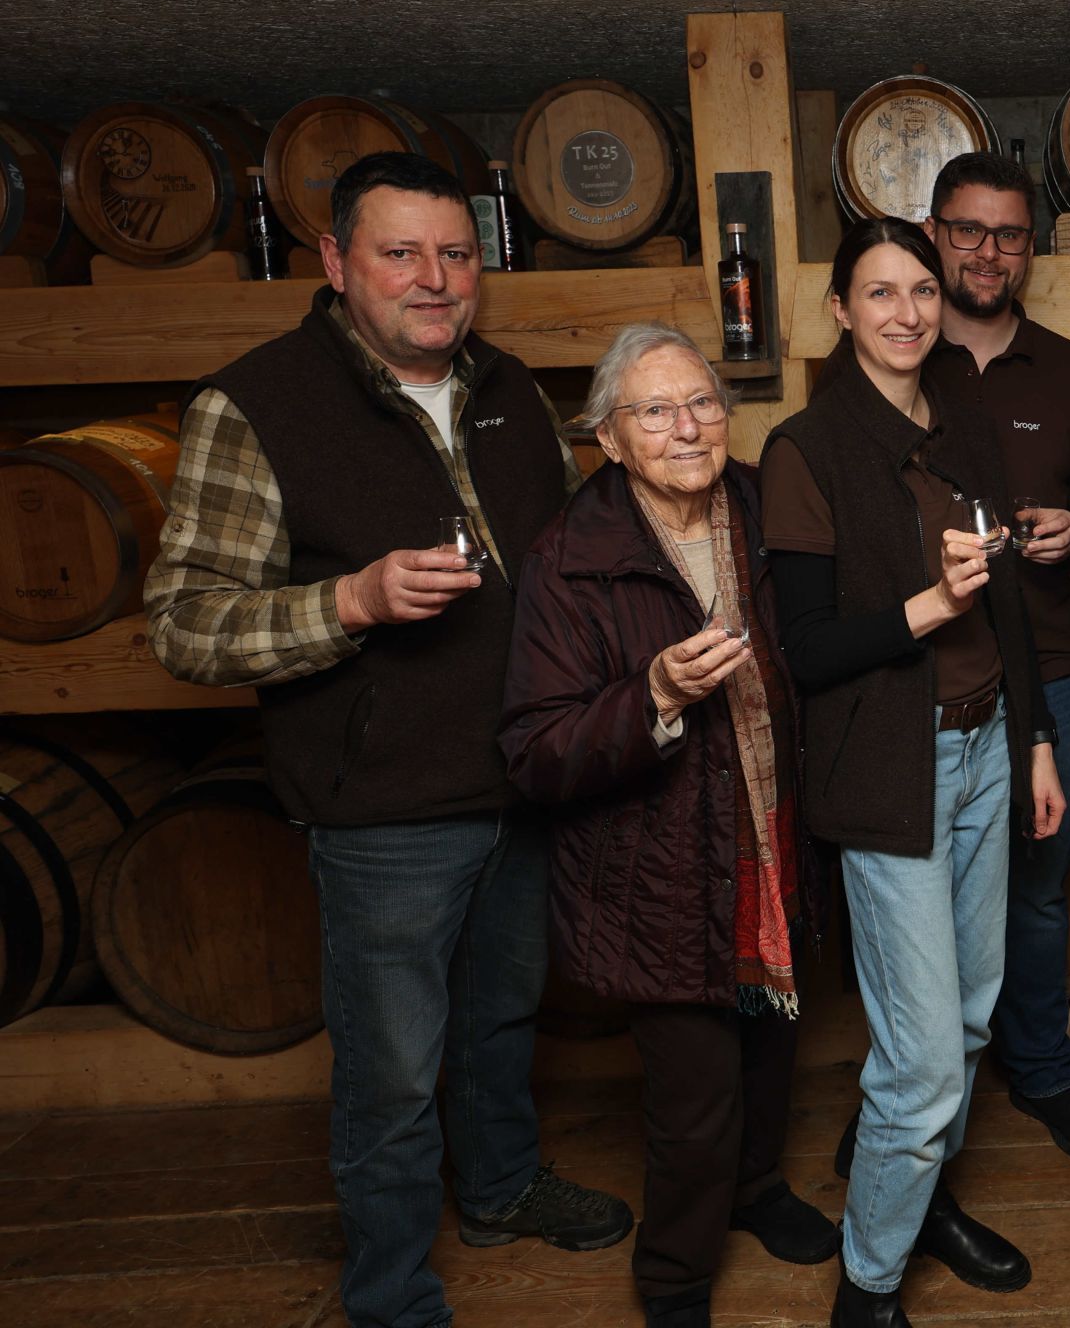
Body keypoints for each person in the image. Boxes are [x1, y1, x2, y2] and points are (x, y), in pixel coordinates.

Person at [143, 151, 630, 1328]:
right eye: (400, 253)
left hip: (518, 780)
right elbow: (183, 626)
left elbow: (565, 572)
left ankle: (503, 1188)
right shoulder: (253, 405)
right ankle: (393, 1298)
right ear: (335, 263)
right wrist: (349, 603)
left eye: (455, 254)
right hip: (383, 810)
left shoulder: (510, 391)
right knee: (394, 1072)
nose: (434, 278)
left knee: (503, 1014)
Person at [499, 324, 838, 1328]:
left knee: (774, 1038)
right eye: (654, 410)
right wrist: (649, 693)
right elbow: (534, 747)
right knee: (693, 1100)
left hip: (769, 833)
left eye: (700, 402)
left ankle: (758, 1188)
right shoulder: (572, 558)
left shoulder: (758, 504)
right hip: (657, 865)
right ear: (608, 437)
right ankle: (676, 1276)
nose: (686, 427)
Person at [759, 218, 1064, 1328]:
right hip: (893, 768)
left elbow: (1019, 612)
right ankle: (868, 1286)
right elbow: (805, 649)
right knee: (924, 1058)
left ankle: (920, 1198)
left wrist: (1033, 741)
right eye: (879, 292)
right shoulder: (805, 448)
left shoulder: (968, 431)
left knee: (973, 1020)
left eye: (921, 290)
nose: (906, 312)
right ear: (839, 310)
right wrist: (928, 607)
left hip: (988, 748)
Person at [920, 150, 1070, 1162]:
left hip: (1042, 661)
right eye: (967, 230)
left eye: (1005, 234)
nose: (986, 251)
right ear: (932, 236)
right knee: (920, 890)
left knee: (1040, 885)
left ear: (1026, 248)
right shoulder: (895, 362)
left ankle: (1040, 1072)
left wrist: (1067, 538)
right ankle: (915, 1095)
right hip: (932, 671)